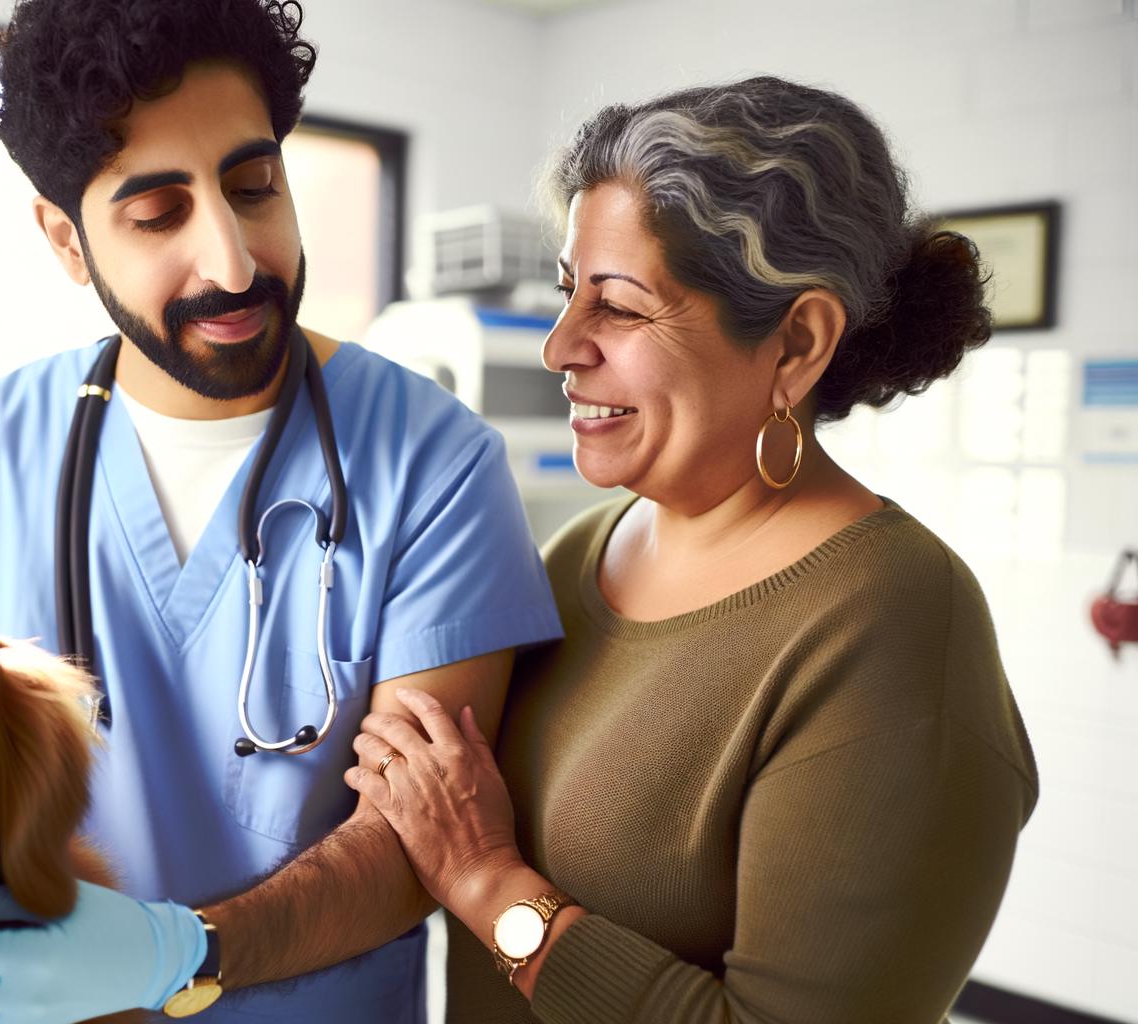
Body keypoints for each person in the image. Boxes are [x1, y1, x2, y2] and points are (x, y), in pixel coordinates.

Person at [0, 1, 561, 1020]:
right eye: (156, 214)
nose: (232, 262)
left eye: (253, 186)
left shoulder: (432, 464)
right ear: (64, 238)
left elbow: (420, 841)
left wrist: (179, 951)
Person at [343, 77, 1039, 1023]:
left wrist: (484, 880)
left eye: (620, 309)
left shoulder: (894, 623)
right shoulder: (575, 555)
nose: (559, 347)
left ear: (796, 341)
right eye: (566, 293)